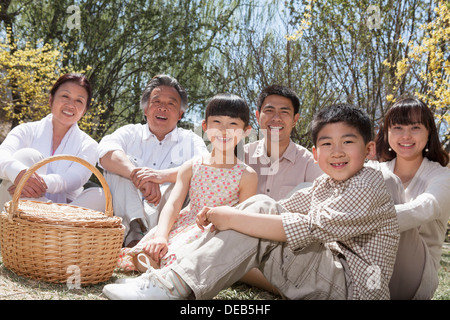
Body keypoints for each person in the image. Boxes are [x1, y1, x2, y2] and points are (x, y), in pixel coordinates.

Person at [102, 103, 400, 300]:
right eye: (326, 144)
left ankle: (171, 286)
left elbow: (309, 228)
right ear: (316, 151)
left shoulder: (369, 181)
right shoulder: (325, 184)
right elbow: (280, 208)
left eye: (348, 142)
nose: (337, 152)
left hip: (350, 289)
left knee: (256, 210)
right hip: (320, 275)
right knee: (261, 205)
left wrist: (230, 217)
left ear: (370, 148)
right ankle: (171, 282)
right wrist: (223, 213)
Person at [115, 93, 257, 272]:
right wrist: (161, 236)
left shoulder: (246, 175)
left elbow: (243, 221)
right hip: (184, 226)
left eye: (233, 124)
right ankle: (175, 267)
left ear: (246, 131)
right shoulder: (191, 166)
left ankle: (187, 270)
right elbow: (173, 205)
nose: (224, 130)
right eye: (217, 122)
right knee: (145, 257)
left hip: (217, 233)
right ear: (205, 126)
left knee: (184, 260)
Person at [98, 75, 207, 246]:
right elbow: (105, 153)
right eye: (156, 102)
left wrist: (160, 176)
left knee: (181, 179)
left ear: (180, 114)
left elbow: (204, 167)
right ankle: (136, 232)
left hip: (166, 218)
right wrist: (137, 175)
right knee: (118, 171)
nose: (163, 108)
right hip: (125, 213)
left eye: (171, 104)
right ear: (145, 110)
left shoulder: (191, 140)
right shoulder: (130, 133)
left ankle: (157, 237)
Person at [368, 97, 450, 300]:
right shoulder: (373, 169)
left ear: (428, 132)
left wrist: (356, 220)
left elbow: (424, 208)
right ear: (386, 133)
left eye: (415, 127)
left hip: (416, 276)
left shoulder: (442, 176)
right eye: (397, 127)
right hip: (372, 272)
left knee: (385, 183)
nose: (406, 136)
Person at [0, 73, 104, 212]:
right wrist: (19, 173)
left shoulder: (89, 145)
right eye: (65, 96)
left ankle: (50, 216)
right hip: (14, 207)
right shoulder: (26, 130)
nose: (71, 105)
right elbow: (2, 155)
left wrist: (35, 183)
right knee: (26, 156)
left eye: (79, 101)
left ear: (84, 111)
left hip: (62, 212)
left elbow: (74, 179)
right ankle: (48, 217)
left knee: (100, 196)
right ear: (51, 100)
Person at [244, 85, 323, 201]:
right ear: (257, 116)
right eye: (269, 111)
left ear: (295, 120)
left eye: (284, 112)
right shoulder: (241, 157)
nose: (276, 118)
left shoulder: (308, 163)